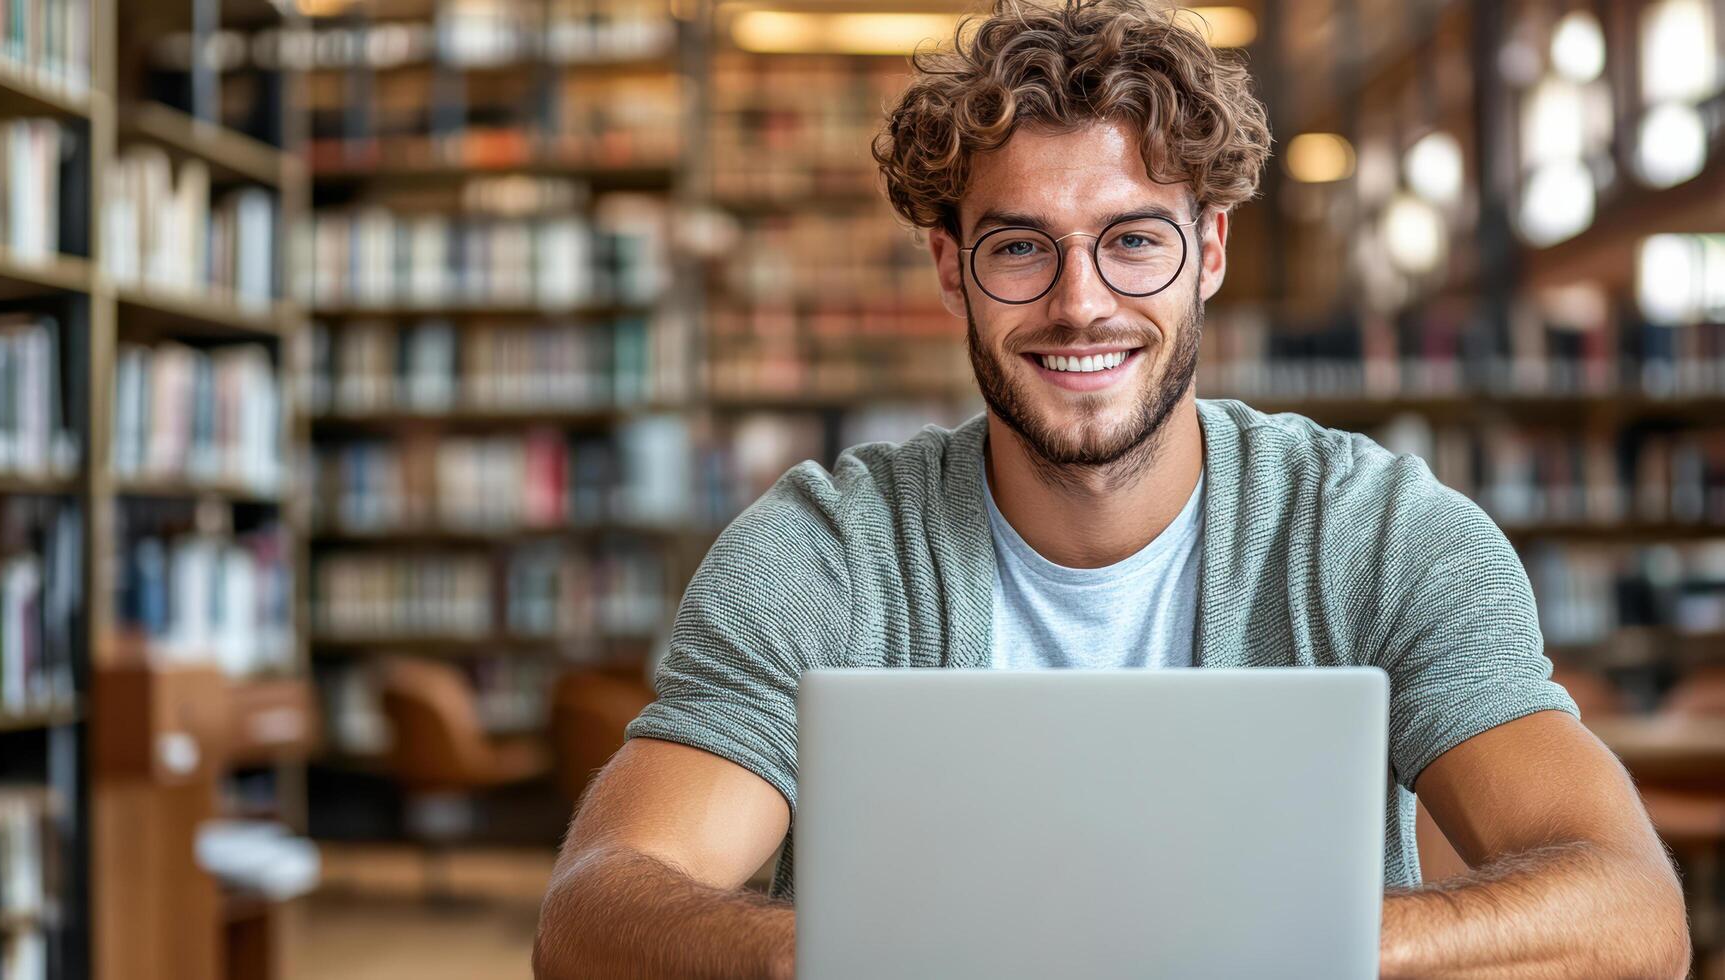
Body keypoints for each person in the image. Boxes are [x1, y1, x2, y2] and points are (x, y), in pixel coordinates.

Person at [532, 1, 1689, 976]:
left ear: (1212, 252)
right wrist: (854, 949)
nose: (1081, 302)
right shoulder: (822, 553)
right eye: (1021, 246)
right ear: (951, 267)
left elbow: (1635, 912)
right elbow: (591, 909)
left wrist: (1271, 943)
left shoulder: (1381, 533)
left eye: (1135, 240)